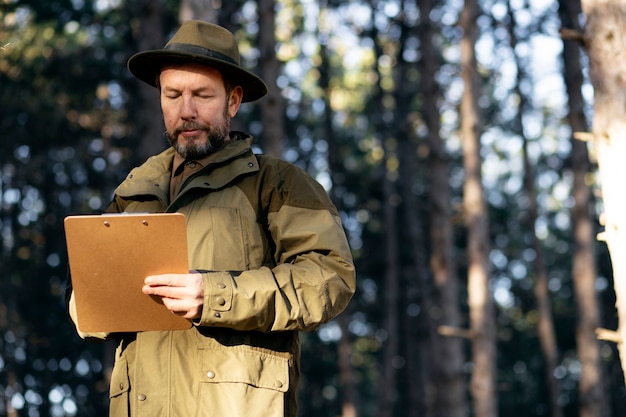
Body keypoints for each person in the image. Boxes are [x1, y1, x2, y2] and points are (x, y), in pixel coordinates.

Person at [67, 20, 356, 417]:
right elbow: (86, 304)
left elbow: (329, 277)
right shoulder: (133, 192)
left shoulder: (278, 182)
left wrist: (216, 295)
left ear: (233, 101)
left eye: (202, 95)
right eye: (173, 95)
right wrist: (91, 301)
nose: (186, 111)